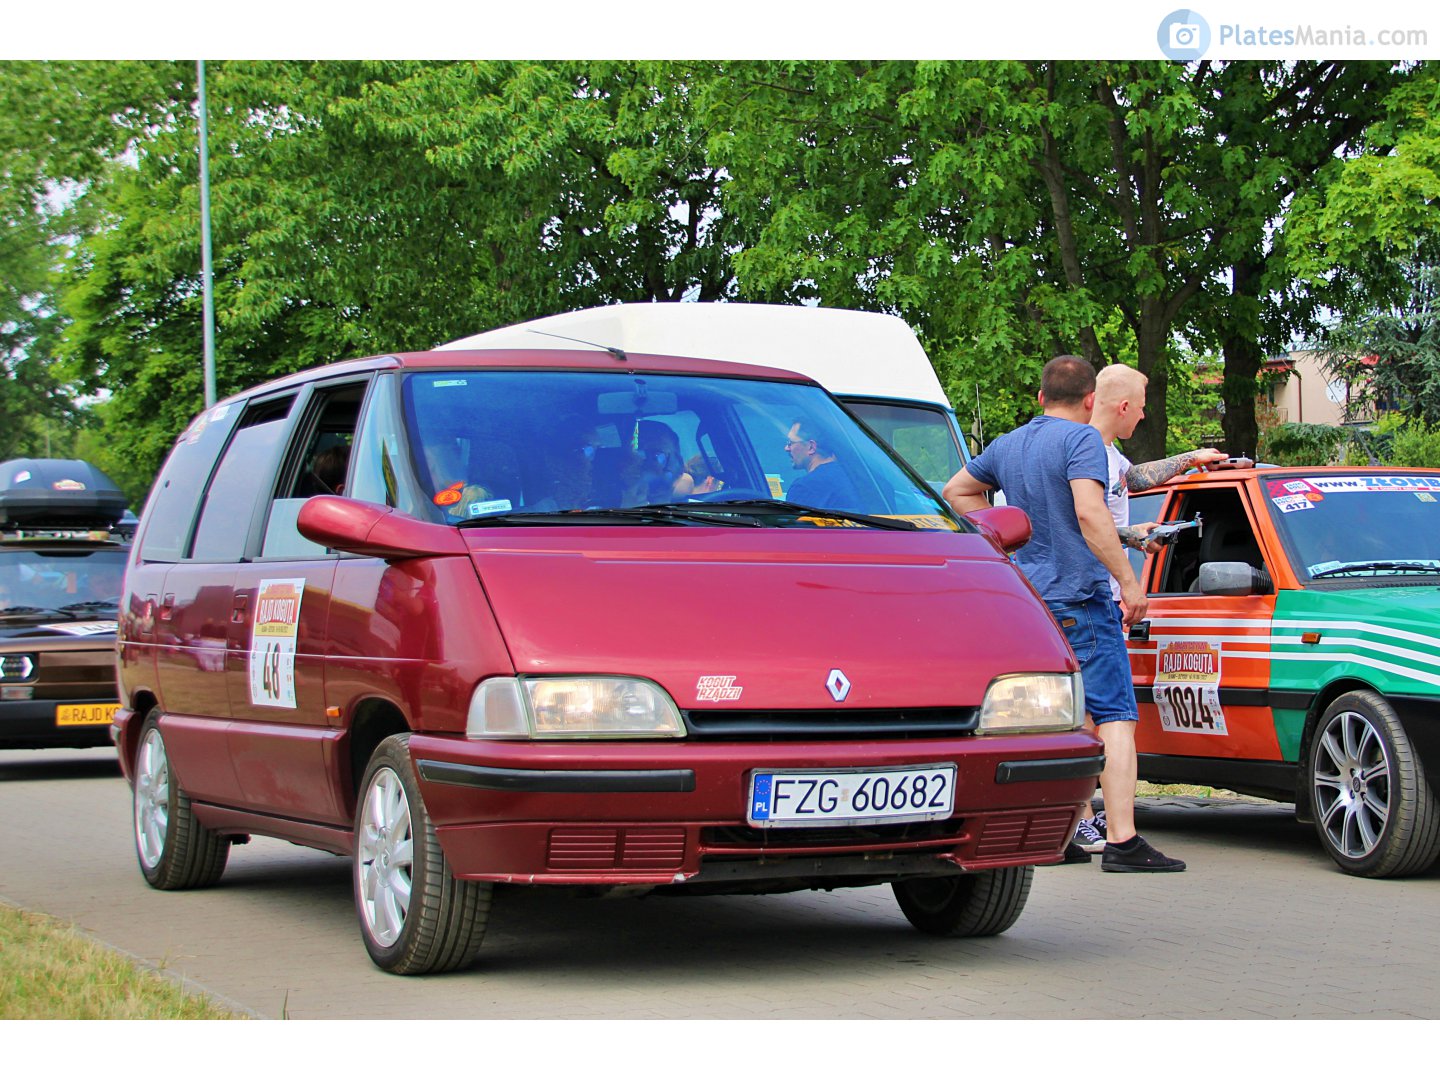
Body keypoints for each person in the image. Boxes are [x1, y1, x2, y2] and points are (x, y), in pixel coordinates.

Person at [942, 354, 1183, 872]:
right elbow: (1089, 512)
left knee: (1060, 718)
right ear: (1092, 401)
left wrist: (1004, 537)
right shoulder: (1082, 442)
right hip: (1080, 597)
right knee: (1116, 716)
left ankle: (1061, 834)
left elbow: (955, 491)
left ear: (1040, 398)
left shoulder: (1008, 444)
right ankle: (1122, 841)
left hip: (1031, 601)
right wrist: (1127, 580)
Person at [1070, 364, 1228, 853]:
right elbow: (1081, 522)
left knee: (1092, 714)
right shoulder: (1083, 451)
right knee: (1101, 714)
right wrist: (1128, 566)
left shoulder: (1108, 454)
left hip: (1098, 594)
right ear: (1122, 407)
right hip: (1093, 596)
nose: (1143, 414)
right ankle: (1092, 824)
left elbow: (1135, 478)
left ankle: (1080, 818)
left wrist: (1190, 460)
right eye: (1140, 405)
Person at [784, 418, 862, 510]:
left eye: (790, 443)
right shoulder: (854, 478)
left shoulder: (805, 487)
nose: (786, 448)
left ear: (811, 447)